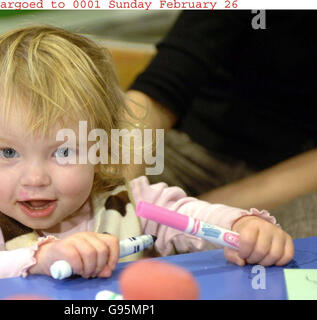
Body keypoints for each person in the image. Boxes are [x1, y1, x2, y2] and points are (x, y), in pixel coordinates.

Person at [0, 25, 293, 287]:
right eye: (8, 152)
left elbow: (188, 216)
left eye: (62, 151)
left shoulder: (125, 199)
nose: (35, 178)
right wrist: (42, 258)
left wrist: (242, 227)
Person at [125, 10, 317, 238]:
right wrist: (116, 197)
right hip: (187, 149)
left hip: (296, 183)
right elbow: (160, 84)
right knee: (80, 176)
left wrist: (195, 216)